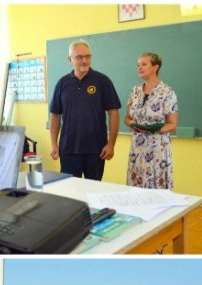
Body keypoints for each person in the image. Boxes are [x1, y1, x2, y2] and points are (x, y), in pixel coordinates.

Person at [49, 40, 121, 181]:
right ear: (70, 60)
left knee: (93, 192)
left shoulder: (103, 81)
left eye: (87, 56)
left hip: (96, 150)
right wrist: (53, 143)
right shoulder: (62, 83)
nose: (84, 60)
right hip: (68, 149)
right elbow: (55, 115)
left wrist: (111, 144)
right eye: (79, 57)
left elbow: (113, 113)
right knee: (71, 194)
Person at [124, 52, 178, 190]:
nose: (139, 68)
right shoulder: (135, 91)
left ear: (155, 67)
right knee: (136, 189)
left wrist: (153, 129)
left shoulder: (167, 92)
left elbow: (172, 124)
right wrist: (134, 125)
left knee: (156, 189)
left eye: (143, 64)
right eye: (138, 65)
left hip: (158, 149)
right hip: (137, 149)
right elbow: (127, 118)